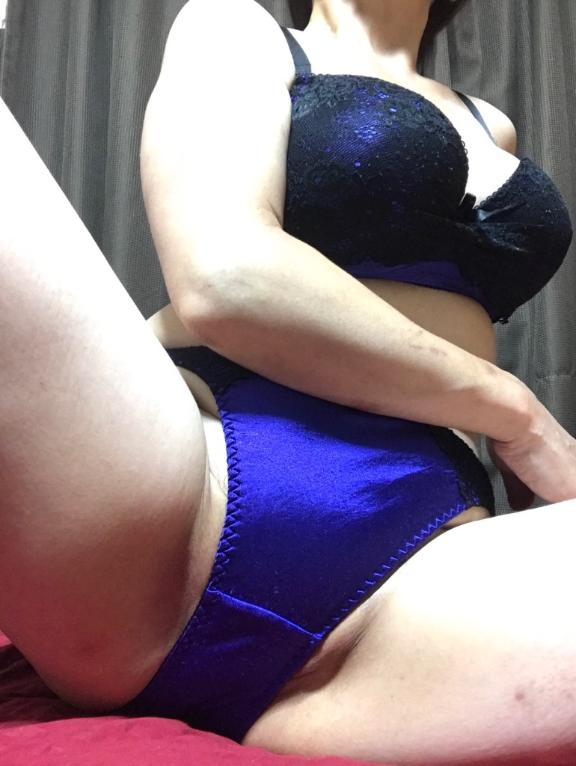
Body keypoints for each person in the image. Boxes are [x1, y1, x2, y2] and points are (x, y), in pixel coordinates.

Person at [0, 0, 575, 762]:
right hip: (184, 483)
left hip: (413, 576)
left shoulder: (491, 126)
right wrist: (516, 412)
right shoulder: (236, 28)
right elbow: (225, 276)